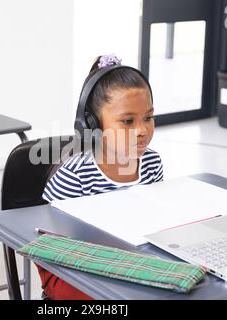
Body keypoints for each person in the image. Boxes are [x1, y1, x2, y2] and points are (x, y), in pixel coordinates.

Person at [38, 54, 164, 300]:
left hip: (129, 256)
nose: (142, 131)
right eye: (127, 121)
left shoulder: (152, 163)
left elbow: (155, 220)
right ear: (93, 125)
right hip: (72, 267)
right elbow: (51, 248)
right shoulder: (74, 175)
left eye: (148, 118)